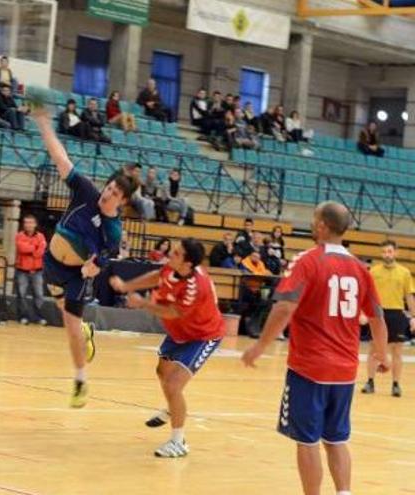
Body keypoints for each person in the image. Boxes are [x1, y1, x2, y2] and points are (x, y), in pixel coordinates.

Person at [242, 201, 390, 495]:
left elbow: (284, 307)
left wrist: (259, 346)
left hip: (309, 368)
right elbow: (377, 318)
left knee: (307, 441)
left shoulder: (307, 260)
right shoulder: (361, 269)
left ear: (322, 225)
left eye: (314, 219)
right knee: (336, 439)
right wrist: (382, 354)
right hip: (345, 371)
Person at [32, 105, 136, 408]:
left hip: (76, 275)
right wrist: (43, 122)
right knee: (65, 311)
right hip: (51, 264)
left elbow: (104, 259)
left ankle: (80, 381)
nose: (108, 193)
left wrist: (93, 269)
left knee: (69, 324)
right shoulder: (87, 192)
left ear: (123, 202)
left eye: (116, 193)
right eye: (110, 187)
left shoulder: (113, 231)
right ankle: (87, 332)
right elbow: (61, 158)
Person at [111, 238, 226, 457]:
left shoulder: (195, 287)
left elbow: (173, 312)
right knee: (161, 372)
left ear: (188, 264)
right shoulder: (174, 268)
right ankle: (173, 409)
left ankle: (178, 442)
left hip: (203, 336)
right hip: (179, 332)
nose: (171, 254)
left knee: (173, 385)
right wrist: (128, 286)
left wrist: (142, 303)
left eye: (176, 253)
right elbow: (157, 276)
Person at [362, 240, 414, 397]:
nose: (387, 254)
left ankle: (396, 384)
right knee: (373, 349)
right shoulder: (373, 271)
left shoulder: (404, 272)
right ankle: (370, 382)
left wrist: (413, 316)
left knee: (397, 351)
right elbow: (366, 294)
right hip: (378, 313)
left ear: (396, 252)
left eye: (389, 251)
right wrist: (363, 312)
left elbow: (408, 296)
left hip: (397, 314)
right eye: (384, 252)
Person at [15, 214, 48, 326]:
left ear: (35, 224)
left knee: (39, 294)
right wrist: (35, 247)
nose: (28, 225)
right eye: (26, 222)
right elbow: (21, 248)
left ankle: (39, 317)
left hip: (37, 270)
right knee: (21, 294)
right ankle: (23, 317)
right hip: (22, 270)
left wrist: (30, 248)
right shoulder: (19, 236)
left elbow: (40, 252)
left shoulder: (41, 236)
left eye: (30, 222)